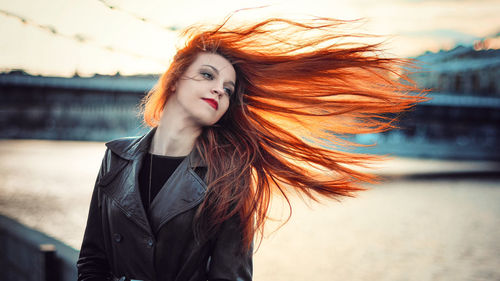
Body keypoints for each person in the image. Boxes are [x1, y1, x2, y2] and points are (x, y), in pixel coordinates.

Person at [77, 15, 426, 281]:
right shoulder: (117, 157)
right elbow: (92, 259)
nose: (219, 91)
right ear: (174, 79)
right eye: (208, 76)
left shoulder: (230, 177)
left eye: (228, 89)